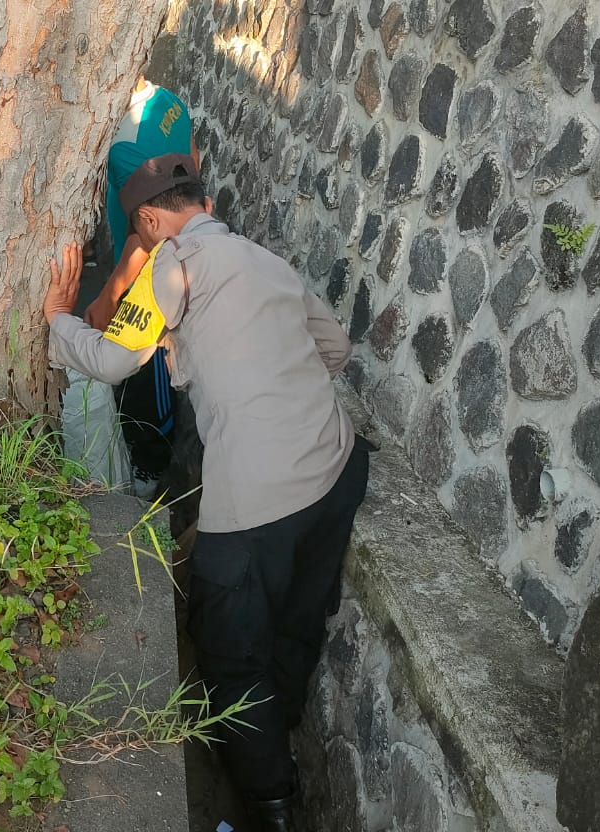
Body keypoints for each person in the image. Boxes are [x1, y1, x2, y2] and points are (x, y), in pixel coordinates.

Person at [43, 155, 367, 832]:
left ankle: (270, 806)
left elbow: (113, 360)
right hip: (336, 468)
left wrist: (57, 320)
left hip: (257, 494)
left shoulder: (171, 265)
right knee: (296, 621)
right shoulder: (265, 260)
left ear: (151, 221)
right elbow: (334, 348)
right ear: (206, 205)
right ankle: (281, 732)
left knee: (227, 647)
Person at [84, 78, 196, 496]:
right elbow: (193, 161)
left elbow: (147, 233)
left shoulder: (123, 148)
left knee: (149, 370)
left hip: (150, 271)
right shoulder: (168, 101)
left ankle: (150, 470)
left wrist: (110, 295)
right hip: (184, 247)